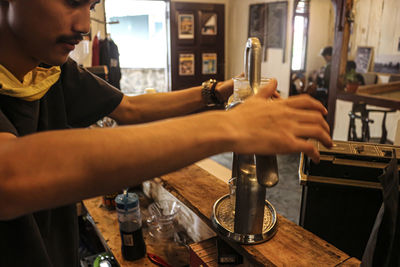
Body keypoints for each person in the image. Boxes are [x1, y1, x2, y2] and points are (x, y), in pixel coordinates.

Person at [0, 0, 332, 266]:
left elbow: (130, 107)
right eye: (72, 2)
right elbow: (11, 174)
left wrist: (216, 91)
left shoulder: (49, 71)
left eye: (90, 6)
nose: (85, 26)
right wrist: (230, 126)